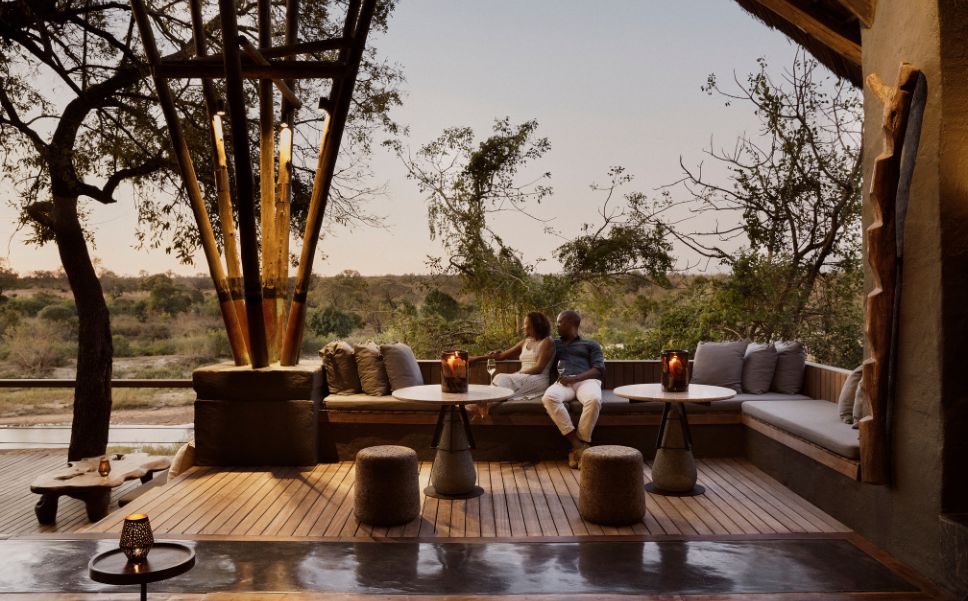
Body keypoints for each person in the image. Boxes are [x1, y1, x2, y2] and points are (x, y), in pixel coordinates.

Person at [542, 310, 605, 469]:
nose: (556, 326)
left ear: (571, 323)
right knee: (549, 397)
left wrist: (576, 378)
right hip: (563, 383)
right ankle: (578, 446)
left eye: (559, 322)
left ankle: (580, 446)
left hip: (586, 381)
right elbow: (534, 350)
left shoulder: (590, 344)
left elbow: (599, 369)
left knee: (594, 399)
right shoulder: (554, 344)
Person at [470, 312, 554, 416]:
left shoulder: (547, 342)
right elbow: (501, 356)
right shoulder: (525, 342)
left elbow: (539, 368)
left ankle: (482, 406)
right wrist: (477, 358)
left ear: (536, 326)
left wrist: (518, 374)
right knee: (501, 377)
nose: (523, 327)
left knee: (503, 377)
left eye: (526, 324)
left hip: (538, 379)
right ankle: (483, 405)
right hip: (523, 376)